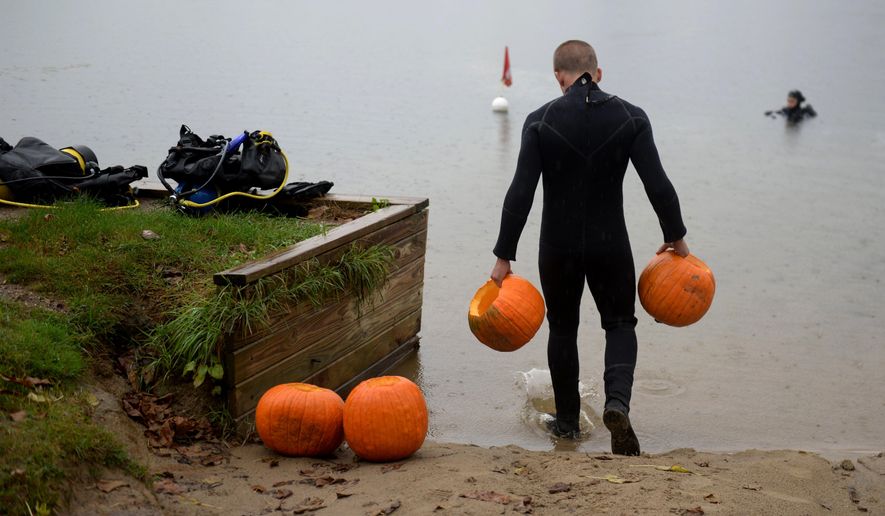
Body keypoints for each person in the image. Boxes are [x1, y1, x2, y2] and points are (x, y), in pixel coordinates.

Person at [489, 40, 689, 456]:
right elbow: (658, 186)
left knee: (563, 328)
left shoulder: (539, 121)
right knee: (619, 324)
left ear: (559, 76)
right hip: (610, 243)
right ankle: (617, 404)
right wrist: (677, 236)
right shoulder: (631, 117)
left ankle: (566, 425)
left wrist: (503, 255)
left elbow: (520, 194)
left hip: (557, 247)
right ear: (599, 73)